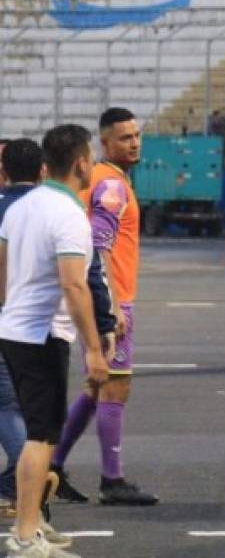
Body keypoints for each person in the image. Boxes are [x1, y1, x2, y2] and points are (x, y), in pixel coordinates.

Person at [0, 125, 109, 557]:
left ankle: (34, 524)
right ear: (81, 163)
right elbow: (74, 286)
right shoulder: (67, 216)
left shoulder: (20, 207)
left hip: (15, 328)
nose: (95, 165)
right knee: (41, 436)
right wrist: (95, 350)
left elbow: (1, 273)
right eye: (94, 157)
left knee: (41, 432)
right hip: (41, 334)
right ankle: (25, 536)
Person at [50, 108, 159, 507]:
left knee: (98, 385)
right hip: (110, 298)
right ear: (104, 144)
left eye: (136, 135)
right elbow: (99, 247)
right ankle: (112, 480)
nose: (134, 142)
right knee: (115, 385)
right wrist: (112, 308)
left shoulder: (102, 180)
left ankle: (55, 465)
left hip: (100, 296)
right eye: (125, 138)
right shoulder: (111, 185)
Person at [0, 141, 41, 516]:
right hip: (37, 321)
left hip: (7, 316)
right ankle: (23, 478)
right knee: (24, 404)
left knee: (7, 405)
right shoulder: (48, 209)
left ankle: (25, 474)